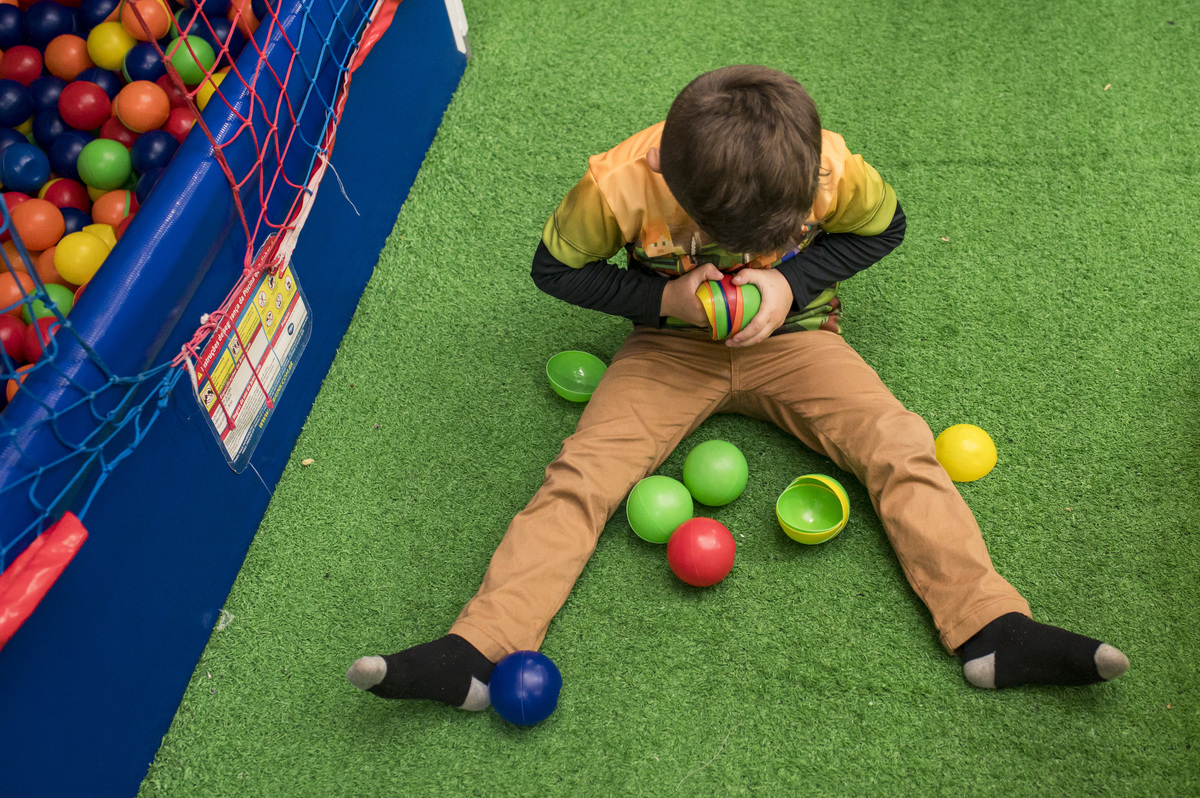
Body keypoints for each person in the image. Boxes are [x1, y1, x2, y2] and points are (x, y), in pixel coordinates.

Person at [346, 65, 1129, 710]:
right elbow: (553, 270)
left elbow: (885, 229)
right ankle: (478, 652)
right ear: (663, 172)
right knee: (582, 475)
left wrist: (790, 284)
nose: (753, 256)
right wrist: (664, 302)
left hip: (797, 342)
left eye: (781, 235)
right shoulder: (620, 183)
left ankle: (992, 628)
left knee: (900, 445)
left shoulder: (829, 166)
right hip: (669, 350)